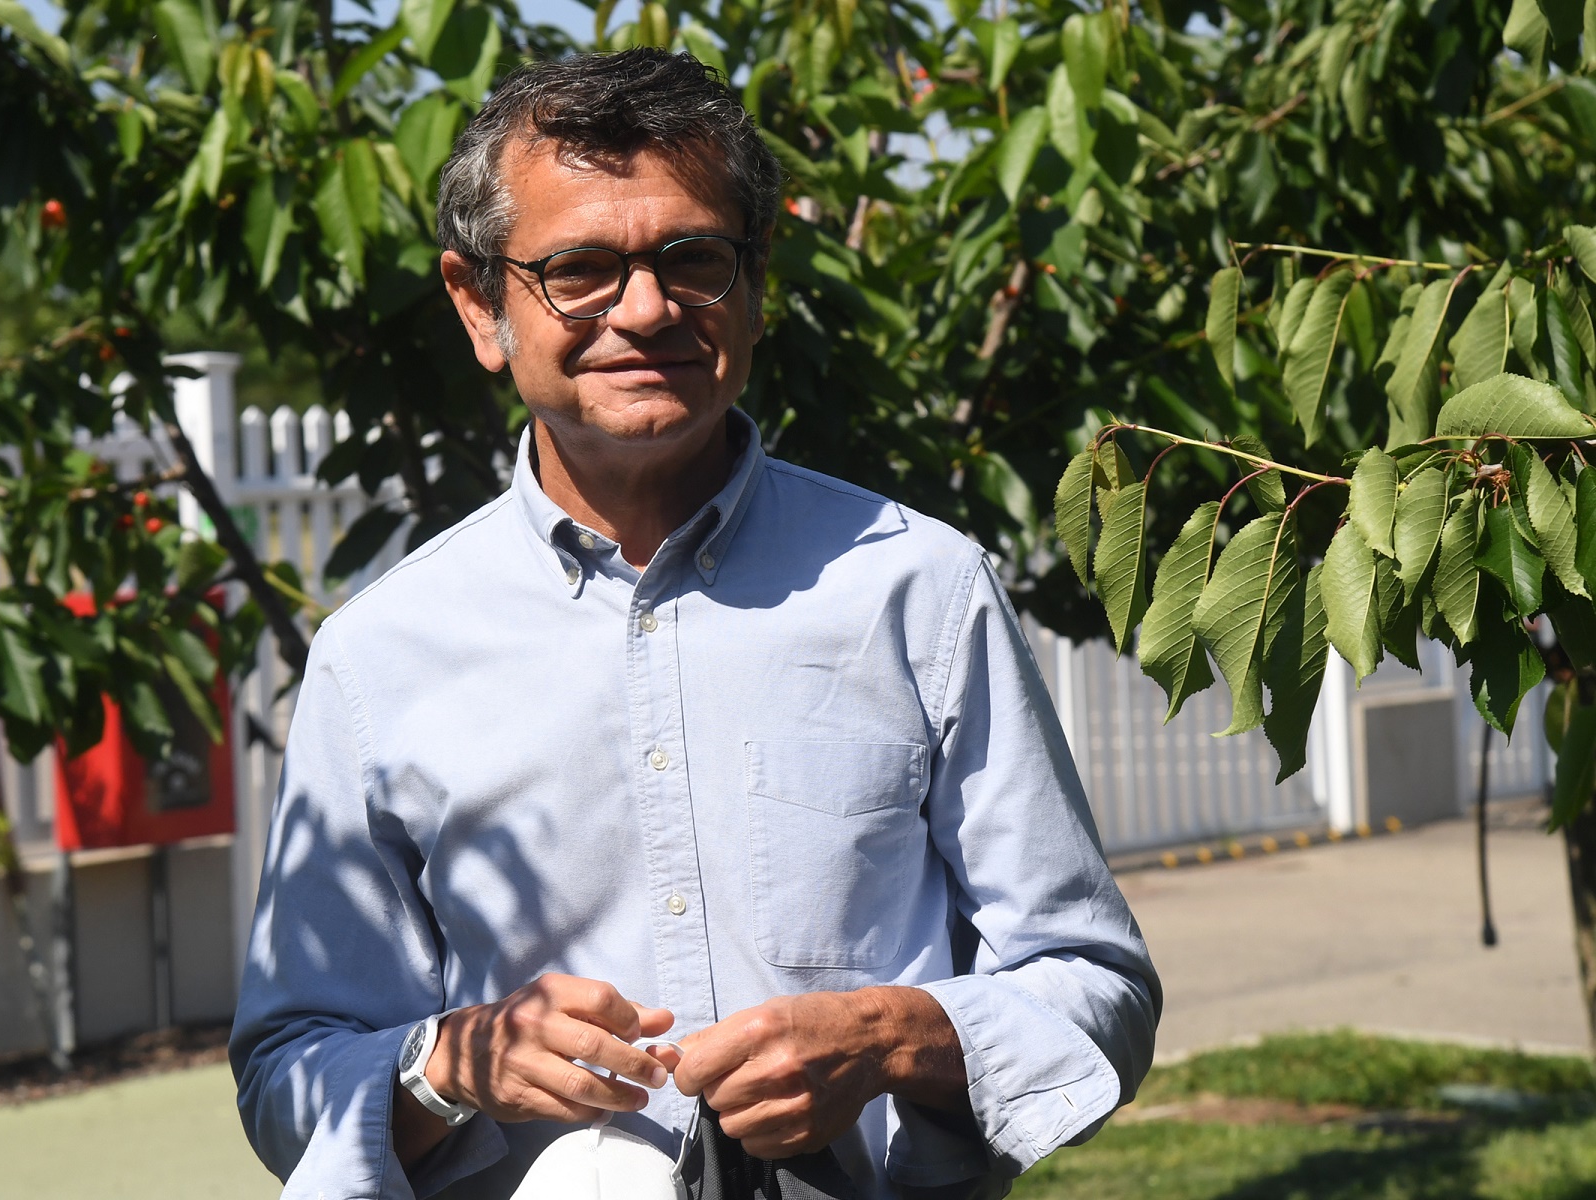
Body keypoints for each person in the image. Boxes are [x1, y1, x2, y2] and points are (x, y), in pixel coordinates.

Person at [230, 48, 1159, 1200]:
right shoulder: (378, 655)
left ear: (755, 284)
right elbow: (286, 1078)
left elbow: (1096, 982)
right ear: (481, 306)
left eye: (695, 259)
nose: (645, 309)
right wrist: (448, 1066)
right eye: (578, 269)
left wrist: (890, 1037)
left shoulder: (918, 588)